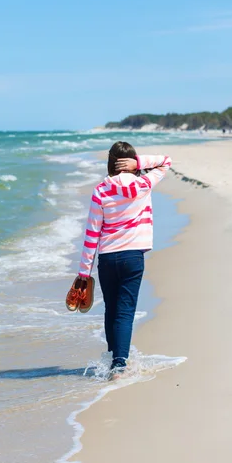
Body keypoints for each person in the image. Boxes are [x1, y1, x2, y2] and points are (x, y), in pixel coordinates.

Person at [78, 141, 172, 379]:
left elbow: (92, 233)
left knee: (111, 309)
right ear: (132, 162)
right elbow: (166, 161)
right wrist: (139, 163)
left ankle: (113, 357)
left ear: (111, 162)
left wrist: (83, 272)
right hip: (133, 256)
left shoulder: (100, 190)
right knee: (125, 311)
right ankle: (119, 365)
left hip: (108, 258)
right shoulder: (144, 184)